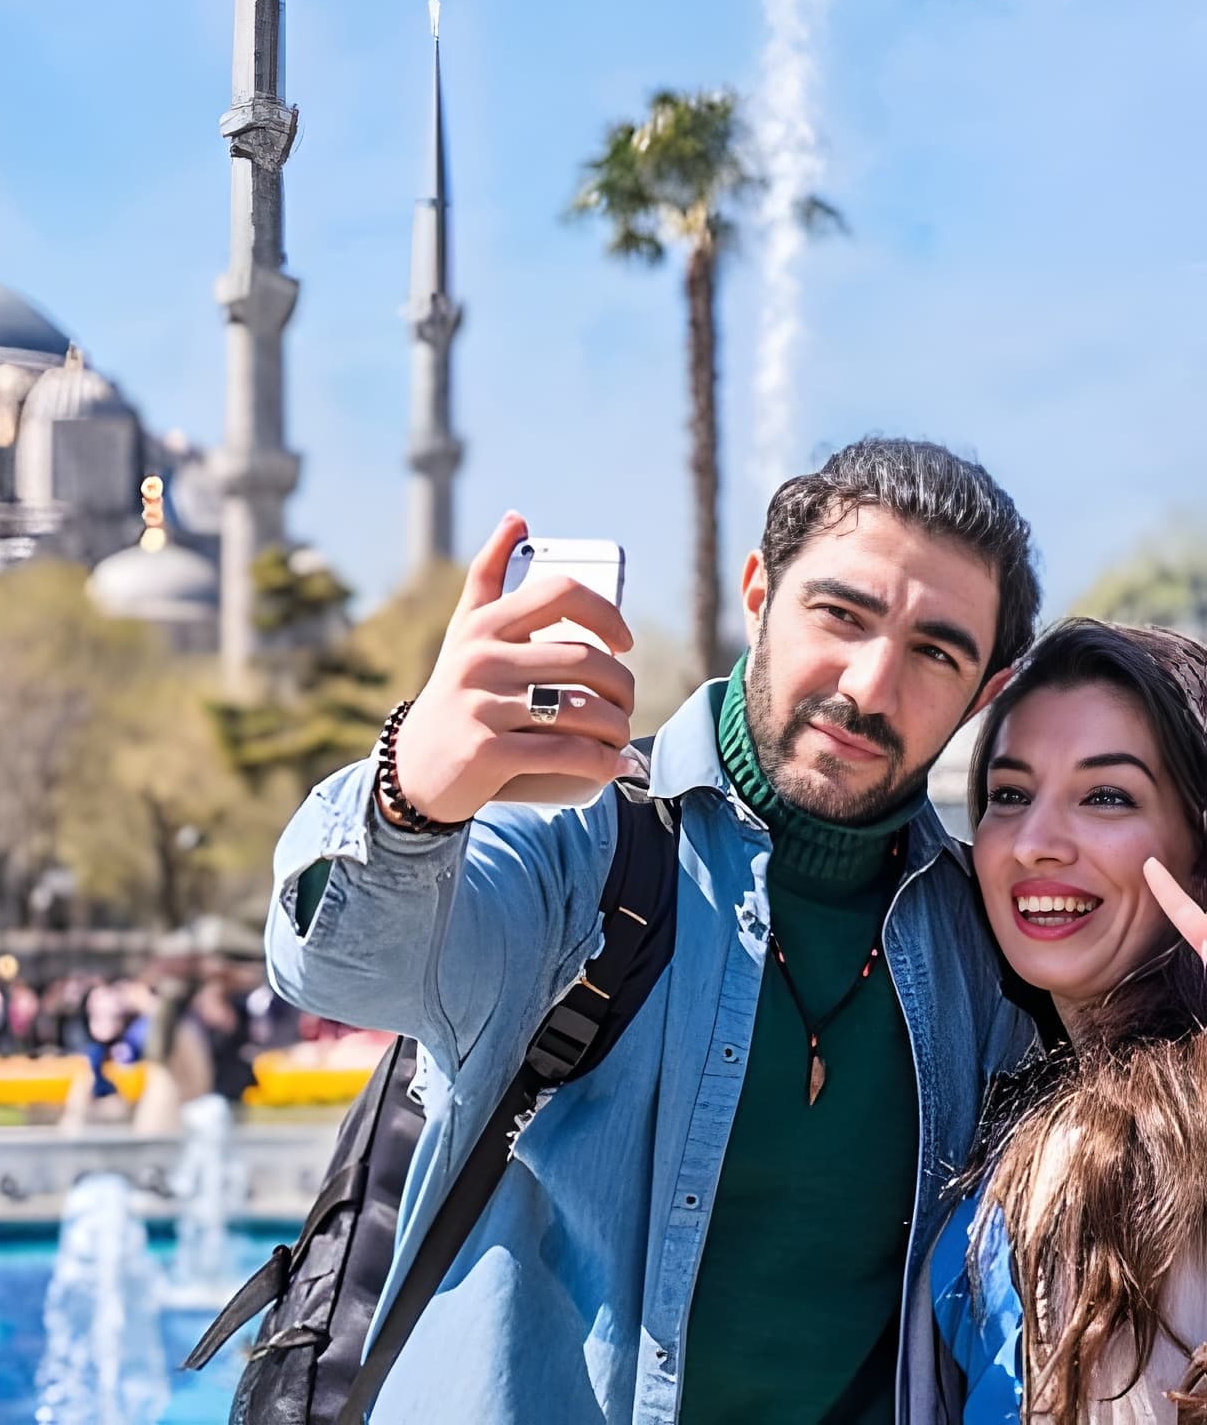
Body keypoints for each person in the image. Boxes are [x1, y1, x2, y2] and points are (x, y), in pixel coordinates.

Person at [266, 436, 1044, 1424]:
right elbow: (335, 963)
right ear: (758, 592)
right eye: (839, 614)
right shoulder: (583, 838)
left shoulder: (982, 942)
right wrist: (411, 792)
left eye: (935, 651)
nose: (869, 683)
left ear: (985, 693)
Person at [929, 619, 1207, 1422]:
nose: (1036, 844)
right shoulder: (1023, 1094)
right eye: (1010, 795)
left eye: (1107, 795)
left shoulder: (1142, 1142)